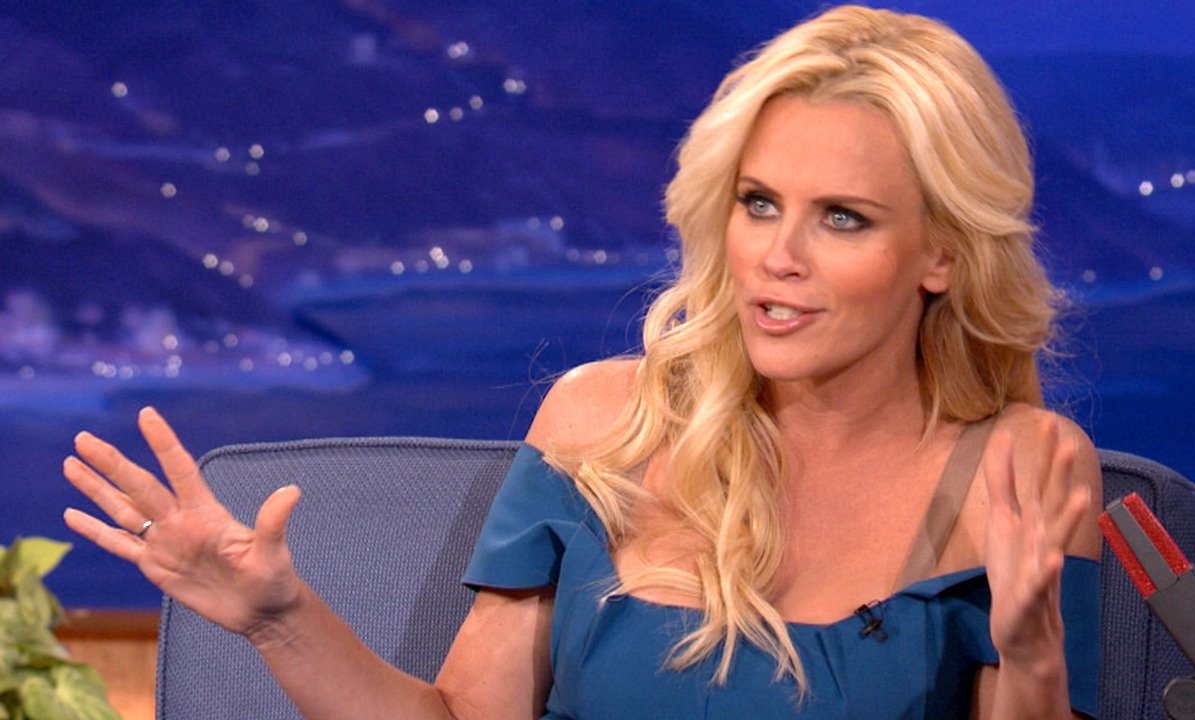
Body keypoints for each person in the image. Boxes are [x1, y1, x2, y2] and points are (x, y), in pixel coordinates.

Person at [62, 5, 1102, 719]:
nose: (776, 257)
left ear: (940, 254)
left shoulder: (1019, 468)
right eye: (757, 203)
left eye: (842, 217)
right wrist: (278, 619)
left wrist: (1031, 661)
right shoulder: (602, 423)